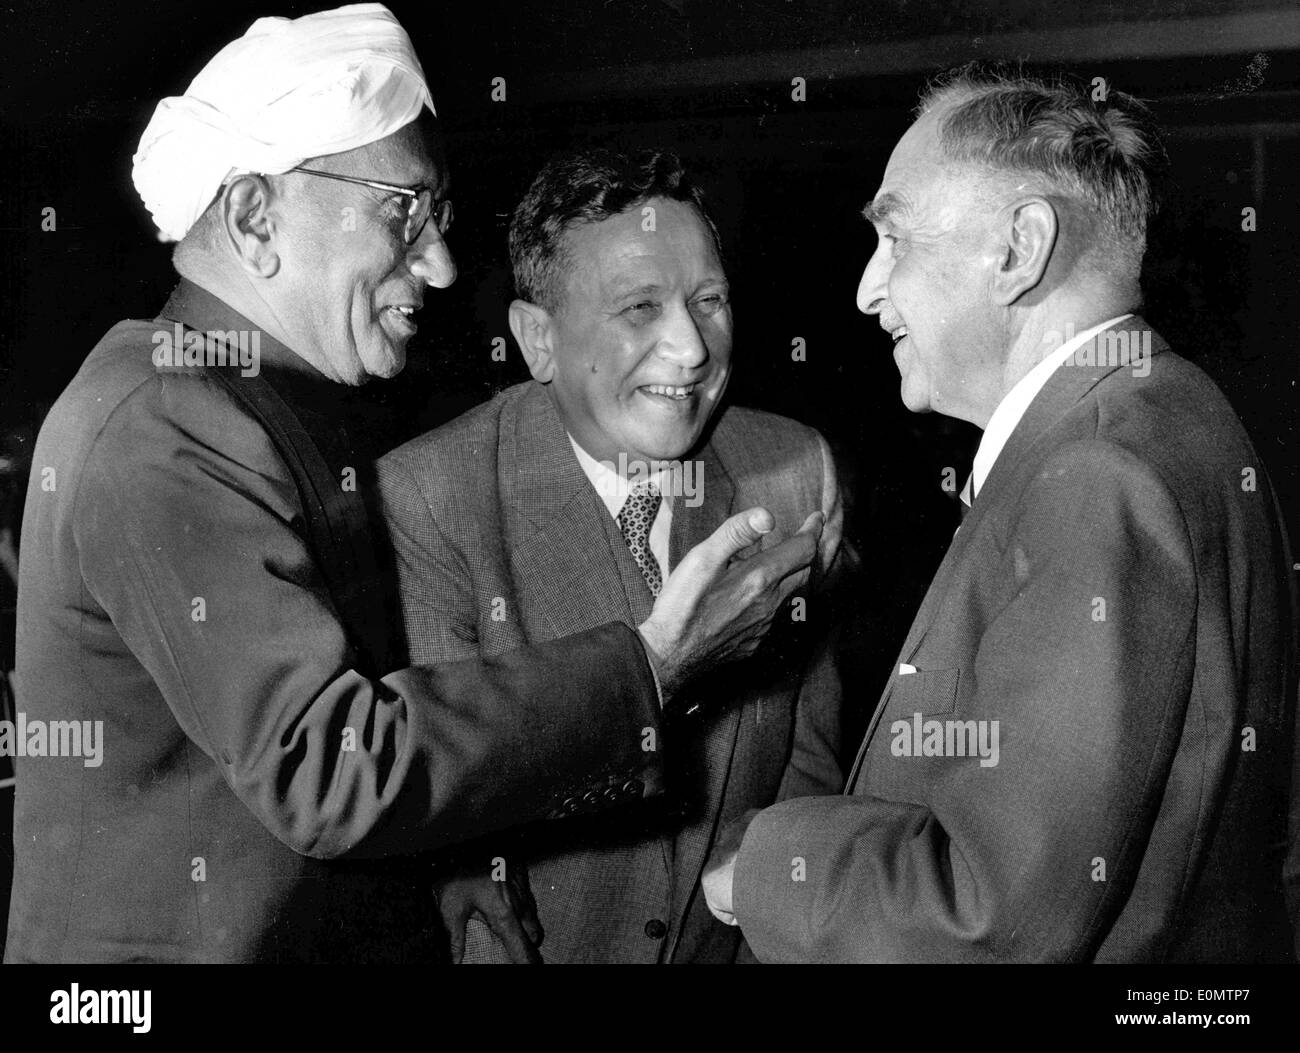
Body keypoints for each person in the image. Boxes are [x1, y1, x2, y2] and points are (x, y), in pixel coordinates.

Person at [4, 3, 819, 964]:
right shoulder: (163, 425)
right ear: (255, 216)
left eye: (439, 218)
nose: (435, 264)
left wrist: (448, 850)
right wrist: (652, 664)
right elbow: (327, 768)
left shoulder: (256, 407)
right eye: (403, 211)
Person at [702, 65, 1298, 962]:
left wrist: (763, 866)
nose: (867, 290)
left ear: (1020, 249)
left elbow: (992, 913)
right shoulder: (1173, 410)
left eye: (893, 238)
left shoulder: (1095, 474)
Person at [376, 149, 850, 963]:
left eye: (710, 301)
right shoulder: (429, 496)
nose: (693, 349)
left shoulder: (795, 466)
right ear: (538, 340)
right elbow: (447, 798)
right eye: (639, 308)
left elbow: (808, 768)